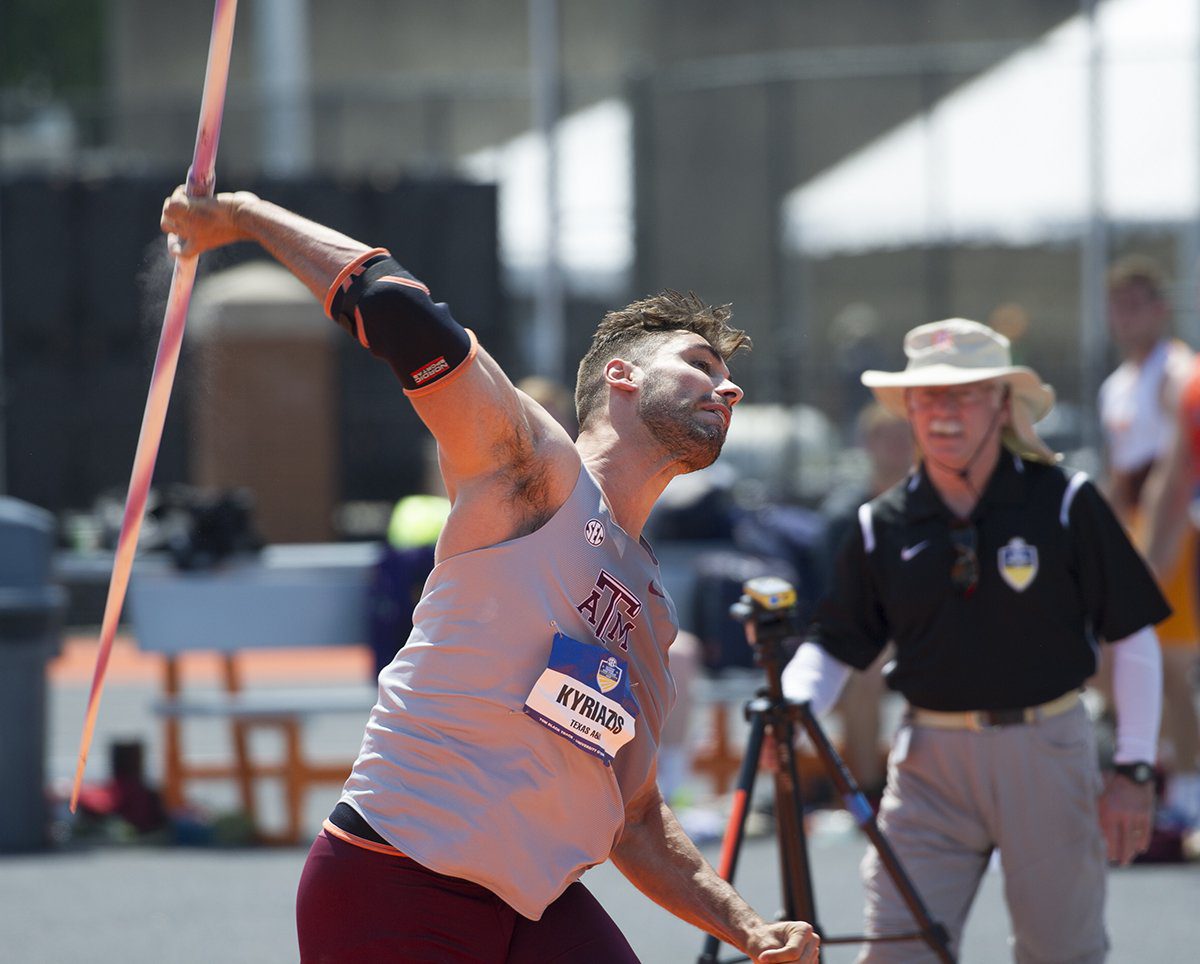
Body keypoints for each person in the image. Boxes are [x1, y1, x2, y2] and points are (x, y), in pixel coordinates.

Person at [161, 186, 818, 964]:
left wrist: (745, 926)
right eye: (700, 365)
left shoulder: (647, 600)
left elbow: (635, 820)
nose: (728, 388)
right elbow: (399, 311)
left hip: (534, 904)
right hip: (395, 880)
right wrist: (239, 216)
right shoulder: (537, 475)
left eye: (730, 380)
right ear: (623, 377)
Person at [781, 318, 1166, 962]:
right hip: (928, 766)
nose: (944, 410)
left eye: (964, 392)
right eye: (928, 395)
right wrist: (789, 710)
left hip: (1047, 752)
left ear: (1003, 403)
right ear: (907, 409)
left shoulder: (1067, 502)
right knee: (898, 952)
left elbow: (1133, 636)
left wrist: (1133, 768)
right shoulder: (882, 523)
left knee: (1061, 954)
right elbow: (835, 642)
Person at [1099, 255, 1200, 829]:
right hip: (1138, 522)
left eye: (1136, 304)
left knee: (1169, 661)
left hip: (1176, 525)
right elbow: (1121, 477)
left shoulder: (1176, 373)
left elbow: (1175, 469)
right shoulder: (1119, 386)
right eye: (1118, 306)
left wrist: (1159, 551)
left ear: (1160, 310)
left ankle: (1188, 786)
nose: (1126, 317)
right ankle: (1161, 769)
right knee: (1123, 659)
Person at [817, 402, 914, 796]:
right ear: (867, 444)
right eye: (886, 436)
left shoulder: (937, 507)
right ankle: (869, 792)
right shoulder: (844, 515)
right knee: (867, 665)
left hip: (927, 631)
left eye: (905, 436)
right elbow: (837, 600)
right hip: (865, 637)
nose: (897, 445)